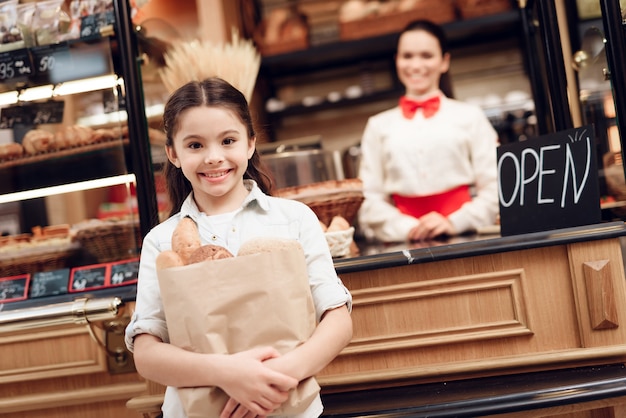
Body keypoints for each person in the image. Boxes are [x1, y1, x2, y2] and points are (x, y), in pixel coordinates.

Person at [124, 77, 353, 418]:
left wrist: (276, 380)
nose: (214, 157)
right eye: (195, 145)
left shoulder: (293, 219)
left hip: (289, 406)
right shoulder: (161, 241)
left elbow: (337, 318)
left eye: (227, 140)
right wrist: (230, 375)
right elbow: (146, 352)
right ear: (173, 153)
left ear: (250, 143)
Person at [357, 19, 500, 242]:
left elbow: (496, 187)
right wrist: (408, 227)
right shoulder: (377, 126)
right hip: (404, 243)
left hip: (468, 238)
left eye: (426, 56)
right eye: (407, 56)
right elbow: (369, 200)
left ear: (444, 61)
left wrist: (455, 222)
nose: (415, 65)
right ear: (396, 61)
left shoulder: (470, 116)